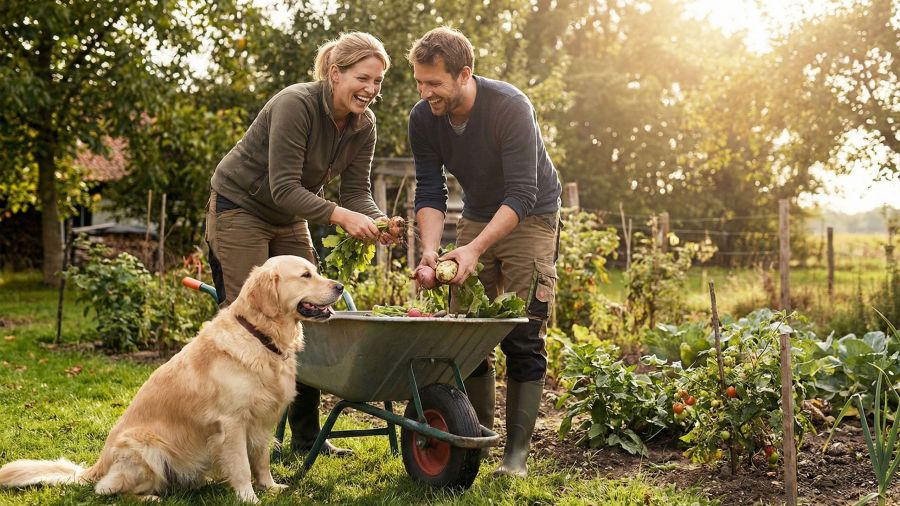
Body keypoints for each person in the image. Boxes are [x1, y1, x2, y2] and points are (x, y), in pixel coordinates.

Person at [206, 31, 393, 456]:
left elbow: (355, 193)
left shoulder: (364, 126)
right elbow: (284, 185)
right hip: (242, 207)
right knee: (249, 322)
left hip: (288, 215)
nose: (371, 89)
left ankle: (307, 439)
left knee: (310, 310)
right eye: (363, 78)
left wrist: (378, 222)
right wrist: (342, 217)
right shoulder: (297, 104)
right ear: (335, 74)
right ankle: (247, 441)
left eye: (378, 81)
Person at [407, 27, 562, 477]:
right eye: (420, 82)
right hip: (477, 212)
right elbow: (431, 191)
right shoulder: (424, 118)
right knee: (466, 334)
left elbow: (523, 192)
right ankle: (475, 438)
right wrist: (432, 253)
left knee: (522, 333)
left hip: (530, 215)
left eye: (434, 83)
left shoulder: (510, 107)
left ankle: (515, 455)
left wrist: (473, 249)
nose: (425, 92)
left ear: (464, 74)